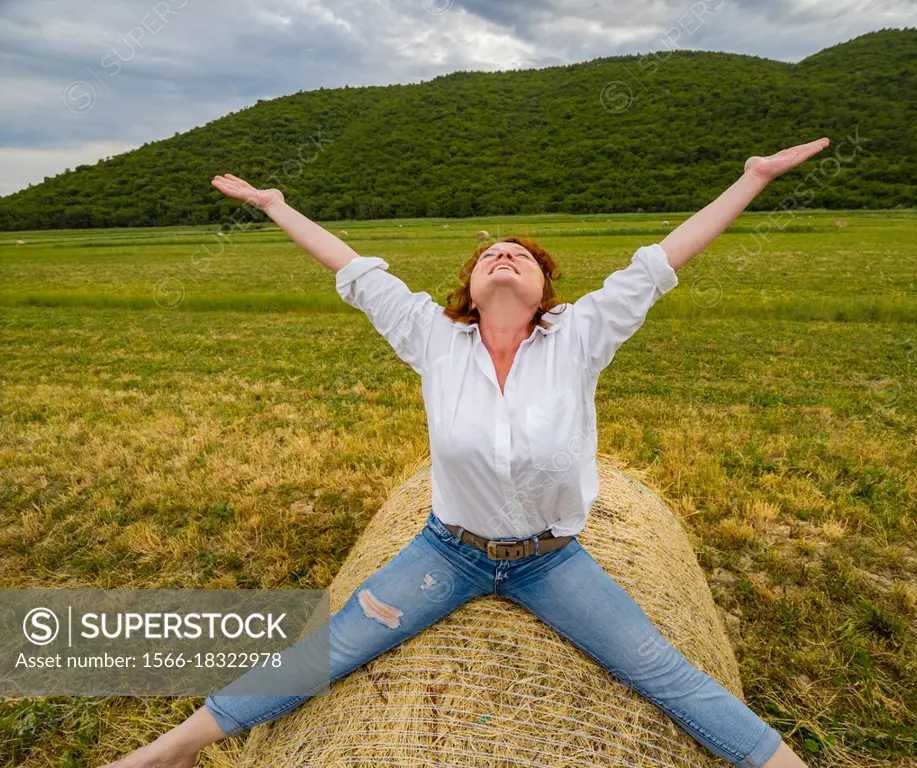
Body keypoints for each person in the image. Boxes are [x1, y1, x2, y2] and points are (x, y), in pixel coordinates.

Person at [103, 137, 830, 768]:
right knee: (331, 649)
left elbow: (661, 260)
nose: (505, 256)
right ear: (470, 293)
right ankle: (178, 747)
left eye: (520, 256)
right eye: (490, 256)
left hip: (551, 562)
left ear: (544, 290)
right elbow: (352, 269)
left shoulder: (579, 336)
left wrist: (754, 178)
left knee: (658, 670)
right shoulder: (432, 339)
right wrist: (273, 205)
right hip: (445, 554)